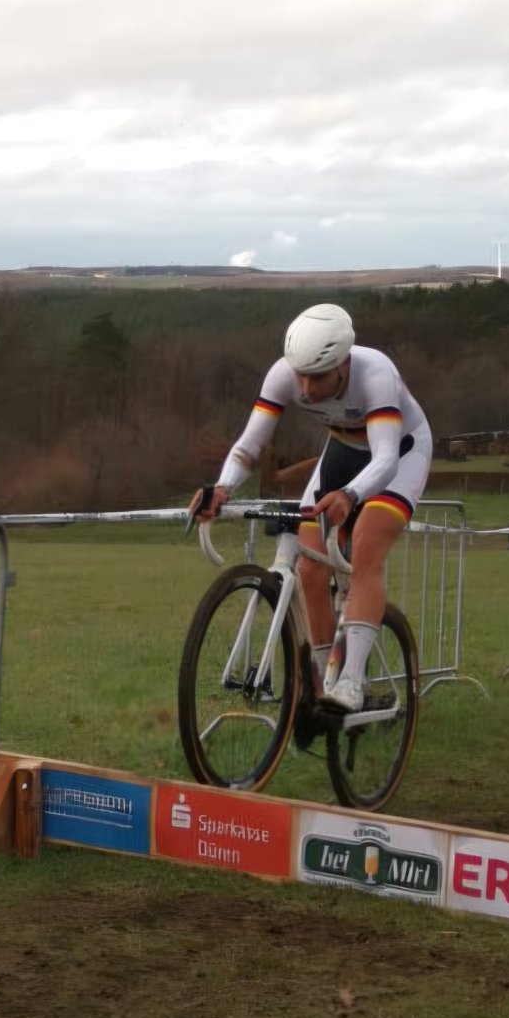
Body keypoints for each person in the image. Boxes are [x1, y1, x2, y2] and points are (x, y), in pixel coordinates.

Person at [193, 303, 432, 712]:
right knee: (310, 567)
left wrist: (350, 495)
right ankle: (324, 682)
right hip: (342, 450)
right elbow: (250, 445)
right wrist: (222, 488)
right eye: (300, 374)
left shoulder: (375, 373)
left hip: (401, 453)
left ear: (344, 363)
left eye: (317, 377)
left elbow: (385, 459)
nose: (305, 388)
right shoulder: (283, 374)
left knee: (366, 544)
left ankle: (351, 684)